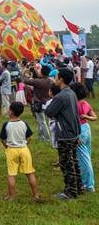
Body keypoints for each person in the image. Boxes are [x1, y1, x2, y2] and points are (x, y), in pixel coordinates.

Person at [45, 68, 83, 200]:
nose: (55, 79)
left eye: (56, 77)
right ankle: (79, 187)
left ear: (61, 79)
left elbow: (49, 112)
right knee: (74, 161)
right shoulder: (71, 93)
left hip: (65, 134)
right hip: (73, 132)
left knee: (67, 164)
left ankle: (70, 192)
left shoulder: (60, 96)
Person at [0, 101, 40, 201]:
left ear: (11, 112)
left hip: (11, 150)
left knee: (11, 174)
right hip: (24, 150)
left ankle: (11, 196)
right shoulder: (24, 124)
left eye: (9, 109)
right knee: (30, 172)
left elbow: (2, 139)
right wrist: (24, 144)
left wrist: (6, 146)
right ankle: (35, 194)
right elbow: (29, 137)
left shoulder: (6, 125)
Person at [73, 82, 96, 193]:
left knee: (83, 158)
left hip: (79, 130)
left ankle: (89, 185)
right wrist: (86, 116)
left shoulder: (74, 104)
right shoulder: (85, 103)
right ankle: (85, 181)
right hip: (86, 128)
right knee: (87, 155)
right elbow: (94, 117)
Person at [23, 65, 52, 143]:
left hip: (38, 103)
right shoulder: (49, 80)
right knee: (40, 121)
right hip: (46, 102)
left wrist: (26, 74)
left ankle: (47, 138)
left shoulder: (38, 81)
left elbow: (26, 81)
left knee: (42, 122)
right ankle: (40, 137)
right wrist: (35, 71)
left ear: (42, 72)